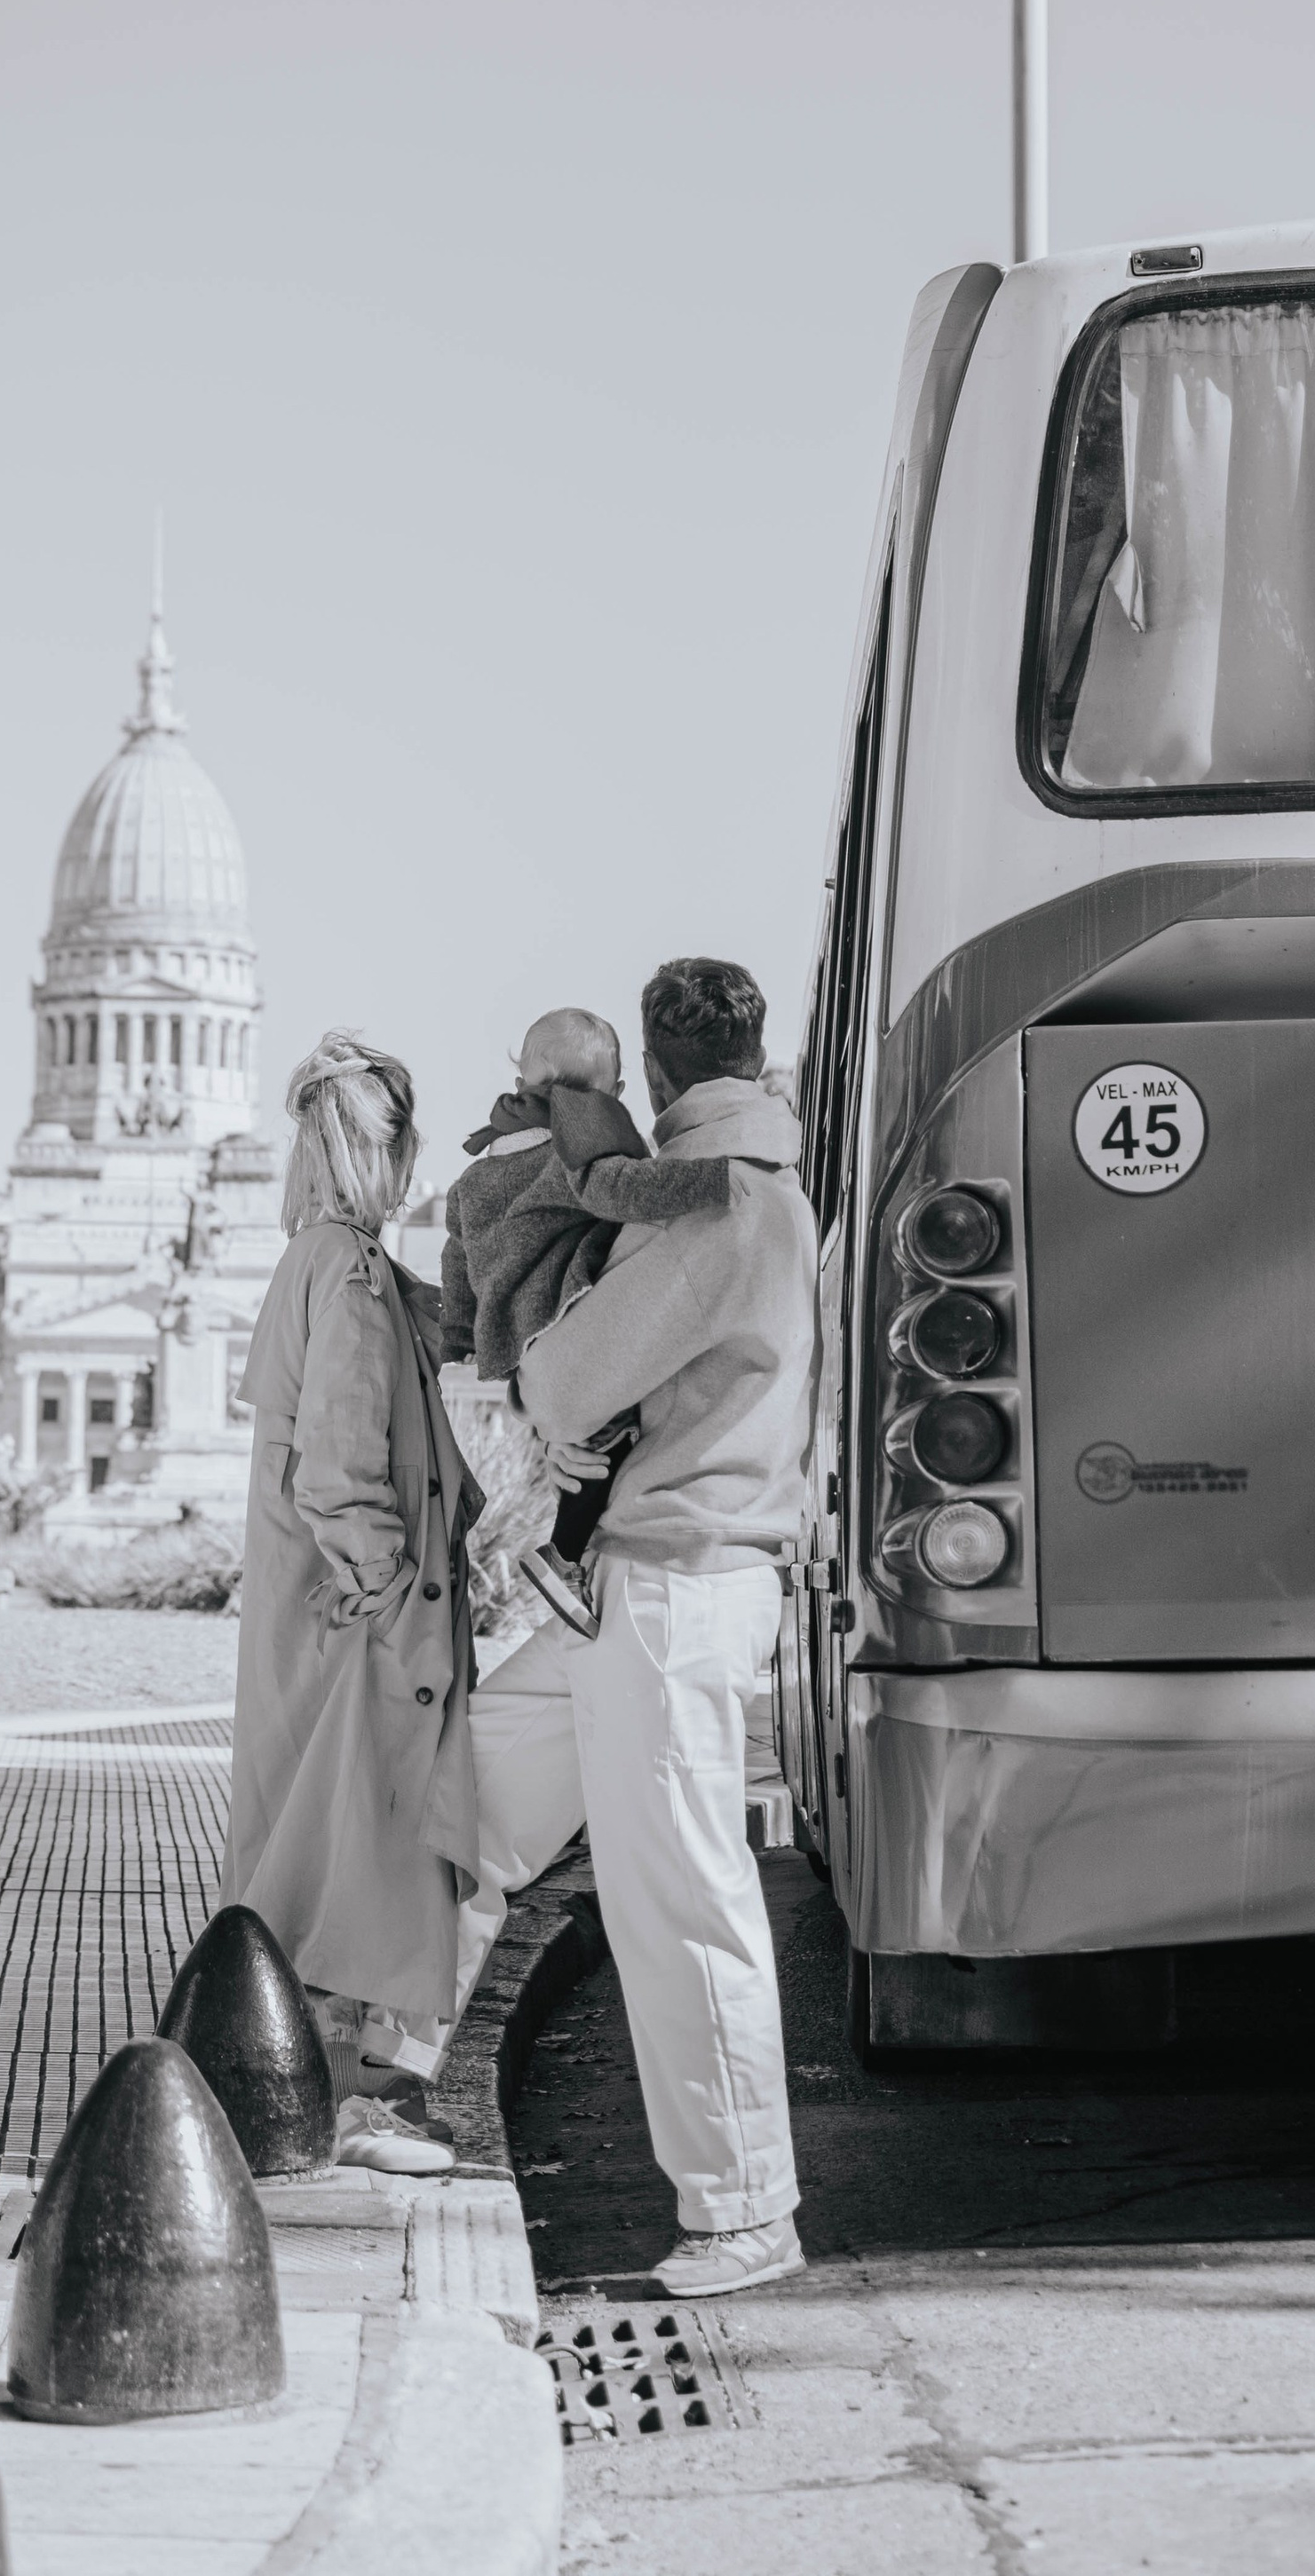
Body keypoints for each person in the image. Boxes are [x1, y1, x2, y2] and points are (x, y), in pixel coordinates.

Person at [398, 958, 817, 2294]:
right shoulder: (759, 1179)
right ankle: (382, 2079)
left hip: (670, 1583)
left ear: (654, 1062)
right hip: (643, 1583)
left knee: (679, 1898)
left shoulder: (716, 1200)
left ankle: (747, 2210)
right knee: (469, 1808)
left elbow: (565, 1381)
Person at [219, 1030, 483, 2175]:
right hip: (354, 1619)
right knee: (355, 1854)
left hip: (308, 1611)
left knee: (310, 1846)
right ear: (389, 1152)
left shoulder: (314, 1261)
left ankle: (309, 2095)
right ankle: (341, 2106)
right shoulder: (352, 1270)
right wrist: (392, 1597)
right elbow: (338, 1465)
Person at [441, 1004, 729, 1634]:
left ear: (521, 1077)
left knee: (581, 1440)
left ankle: (570, 1548)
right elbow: (619, 1189)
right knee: (614, 1430)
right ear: (612, 1090)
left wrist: (462, 1334)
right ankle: (564, 1553)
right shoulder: (576, 1141)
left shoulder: (477, 1170)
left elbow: (457, 1252)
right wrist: (718, 1181)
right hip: (561, 1316)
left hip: (518, 1338)